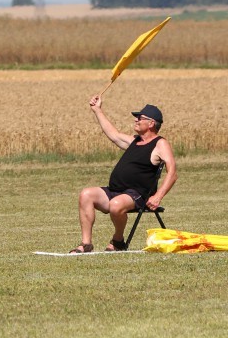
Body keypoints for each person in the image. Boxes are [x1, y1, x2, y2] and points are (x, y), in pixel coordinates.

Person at [69, 97, 177, 254]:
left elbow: (172, 172)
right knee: (86, 194)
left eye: (140, 118)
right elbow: (113, 135)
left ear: (151, 123)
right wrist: (97, 110)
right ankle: (86, 244)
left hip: (138, 194)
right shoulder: (134, 141)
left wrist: (158, 196)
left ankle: (118, 241)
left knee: (116, 204)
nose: (136, 120)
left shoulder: (160, 144)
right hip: (115, 190)